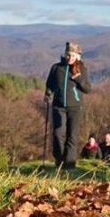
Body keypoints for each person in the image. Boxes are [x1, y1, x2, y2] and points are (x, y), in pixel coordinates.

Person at [44, 41, 91, 169]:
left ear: (78, 56)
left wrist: (78, 78)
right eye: (68, 55)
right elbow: (50, 84)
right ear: (65, 54)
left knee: (72, 137)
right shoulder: (56, 68)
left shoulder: (81, 69)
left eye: (73, 55)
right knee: (58, 134)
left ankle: (70, 165)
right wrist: (48, 93)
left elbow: (87, 89)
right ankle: (59, 161)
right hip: (59, 106)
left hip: (75, 108)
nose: (70, 58)